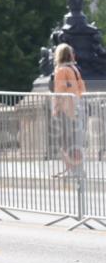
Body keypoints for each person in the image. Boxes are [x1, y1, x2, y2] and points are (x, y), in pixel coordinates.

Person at [51, 43, 86, 178]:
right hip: (77, 109)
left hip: (65, 111)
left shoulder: (61, 71)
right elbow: (82, 88)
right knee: (75, 142)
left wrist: (55, 109)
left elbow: (59, 92)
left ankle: (71, 170)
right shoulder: (75, 69)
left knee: (64, 143)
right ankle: (78, 170)